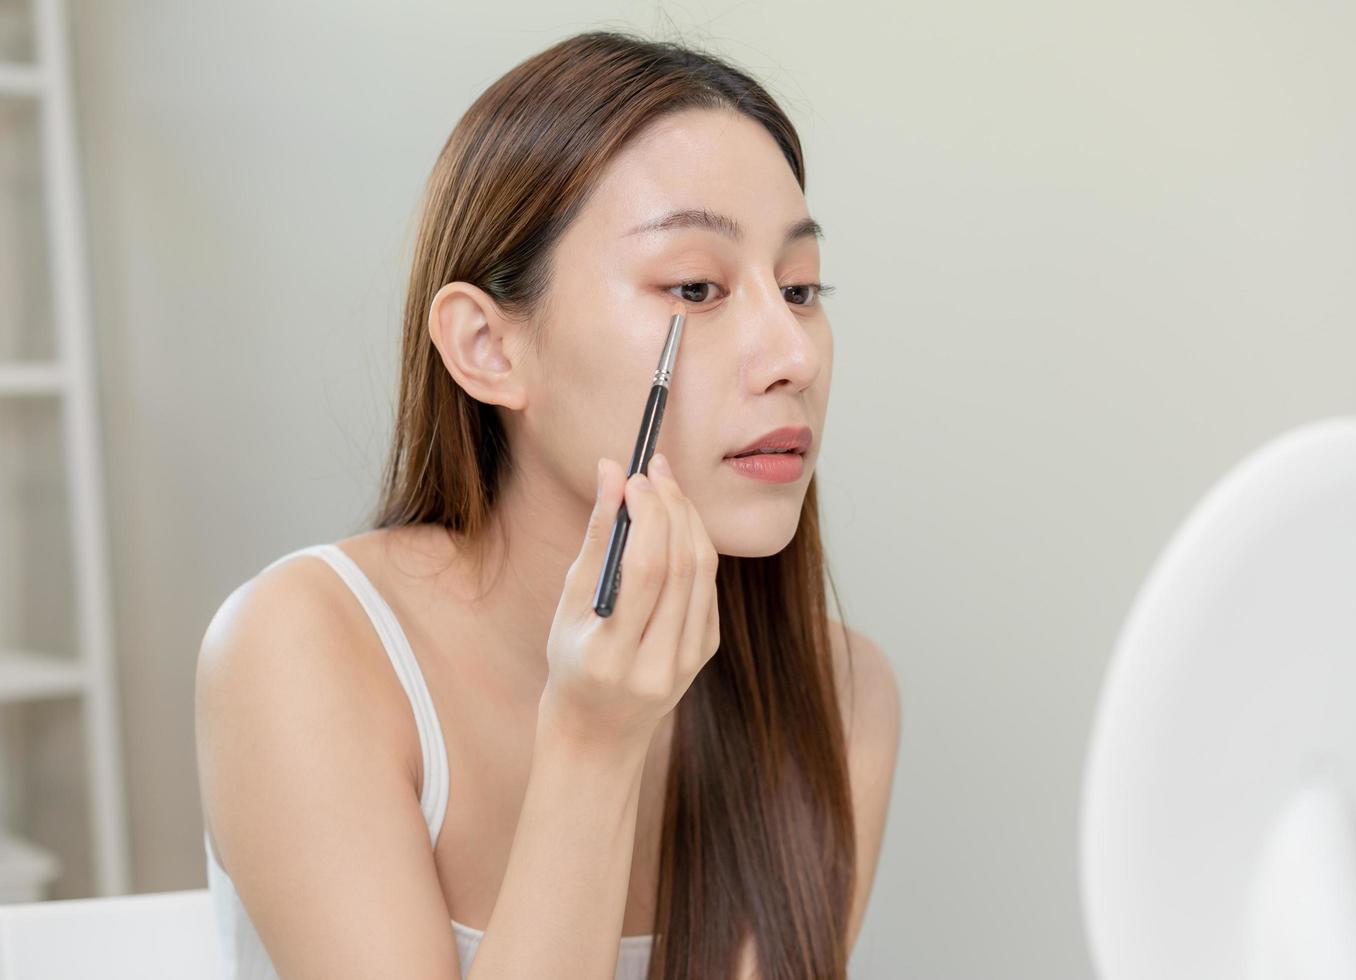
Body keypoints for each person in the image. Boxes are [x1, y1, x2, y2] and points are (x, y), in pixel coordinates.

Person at [194, 29, 900, 980]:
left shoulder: (839, 690)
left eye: (802, 288)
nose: (795, 356)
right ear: (488, 346)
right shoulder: (303, 649)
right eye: (696, 285)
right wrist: (594, 745)